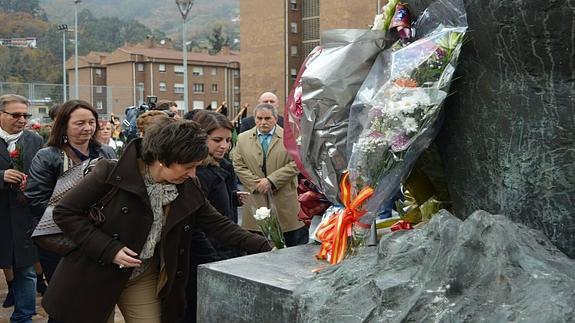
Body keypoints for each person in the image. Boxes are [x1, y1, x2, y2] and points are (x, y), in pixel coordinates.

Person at [41, 120, 271, 323]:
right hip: (93, 273)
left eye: (196, 167)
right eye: (188, 167)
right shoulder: (109, 172)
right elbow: (64, 213)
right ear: (162, 160)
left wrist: (268, 247)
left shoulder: (188, 186)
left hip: (142, 275)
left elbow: (219, 225)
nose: (193, 174)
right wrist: (108, 248)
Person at [25, 100, 117, 288]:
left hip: (99, 235)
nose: (87, 128)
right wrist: (76, 218)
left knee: (94, 294)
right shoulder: (48, 156)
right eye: (79, 123)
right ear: (63, 125)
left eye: (92, 122)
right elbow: (36, 200)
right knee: (63, 298)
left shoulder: (106, 152)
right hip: (58, 237)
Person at [181, 110, 249, 322]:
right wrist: (213, 258)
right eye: (217, 140)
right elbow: (198, 222)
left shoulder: (221, 166)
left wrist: (231, 197)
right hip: (208, 256)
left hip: (225, 248)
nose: (224, 146)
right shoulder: (197, 173)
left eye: (228, 140)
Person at [233, 103, 308, 246]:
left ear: (275, 118)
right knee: (258, 247)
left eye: (267, 118)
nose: (263, 122)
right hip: (256, 200)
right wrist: (257, 184)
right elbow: (238, 164)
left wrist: (272, 181)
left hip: (285, 202)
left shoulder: (290, 137)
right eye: (259, 118)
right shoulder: (243, 138)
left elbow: (297, 163)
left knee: (289, 245)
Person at [0, 94, 44, 323]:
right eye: (15, 115)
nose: (21, 119)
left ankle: (24, 316)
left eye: (25, 115)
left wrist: (35, 184)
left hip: (23, 216)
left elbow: (45, 173)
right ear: (1, 114)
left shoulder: (35, 140)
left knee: (26, 269)